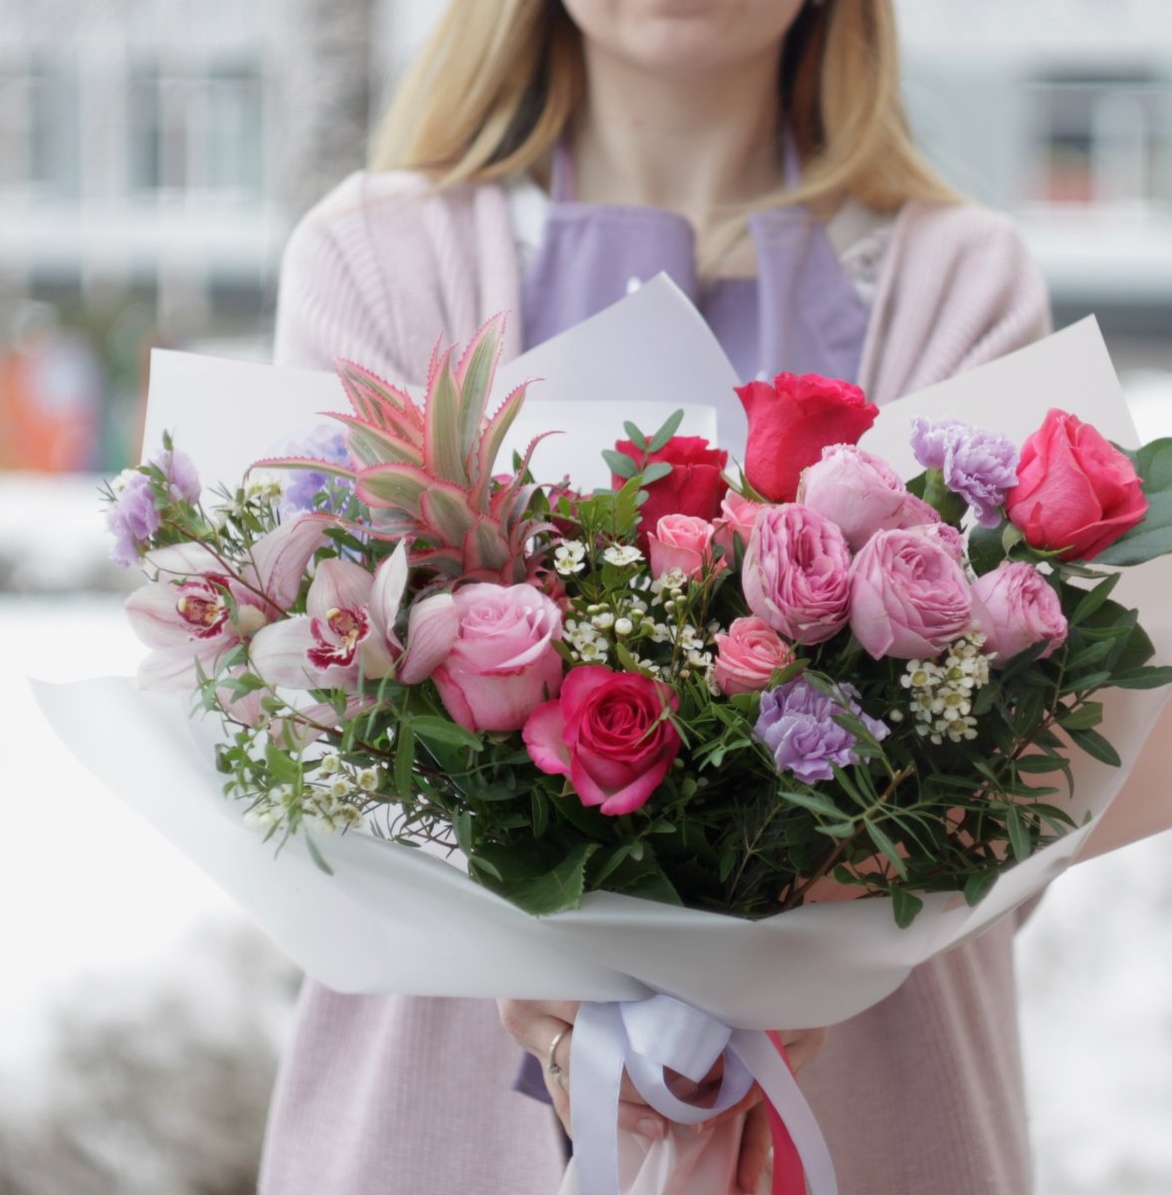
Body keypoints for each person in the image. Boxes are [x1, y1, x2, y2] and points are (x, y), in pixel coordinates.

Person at [259, 1, 1050, 1192]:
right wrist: (526, 953)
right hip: (439, 1122)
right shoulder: (375, 256)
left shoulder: (959, 278)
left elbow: (1022, 768)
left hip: (866, 1107)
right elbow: (313, 736)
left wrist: (792, 973)